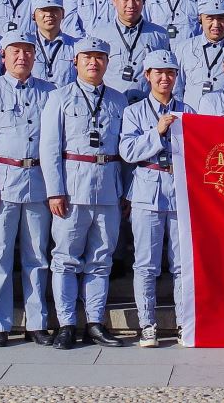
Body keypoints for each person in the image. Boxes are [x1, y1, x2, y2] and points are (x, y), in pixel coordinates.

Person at [42, 35, 130, 349]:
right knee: (65, 259)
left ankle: (94, 322)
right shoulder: (59, 97)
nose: (94, 62)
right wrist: (55, 191)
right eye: (87, 57)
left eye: (100, 57)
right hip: (72, 188)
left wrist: (125, 192)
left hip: (108, 187)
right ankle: (66, 323)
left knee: (101, 259)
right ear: (75, 61)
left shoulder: (118, 100)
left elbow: (125, 151)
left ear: (107, 62)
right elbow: (49, 148)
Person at [0, 30, 58, 346]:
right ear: (3, 56)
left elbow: (56, 143)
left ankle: (37, 322)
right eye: (15, 51)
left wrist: (55, 188)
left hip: (38, 180)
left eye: (27, 51)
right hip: (3, 181)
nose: (22, 57)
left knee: (37, 256)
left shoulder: (49, 91)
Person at [121, 50, 190, 346]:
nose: (165, 78)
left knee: (181, 264)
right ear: (147, 76)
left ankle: (184, 322)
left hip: (180, 189)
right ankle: (147, 324)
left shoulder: (187, 110)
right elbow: (128, 151)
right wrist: (157, 132)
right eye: (158, 72)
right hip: (147, 189)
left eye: (170, 72)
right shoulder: (133, 112)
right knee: (146, 264)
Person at [99, 0, 172, 102]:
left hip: (147, 106)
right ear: (114, 0)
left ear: (144, 0)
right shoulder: (100, 34)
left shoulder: (160, 35)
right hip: (112, 104)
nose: (131, 4)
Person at [173, 0, 224, 110]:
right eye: (210, 18)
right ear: (200, 18)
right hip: (193, 115)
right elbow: (176, 89)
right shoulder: (184, 48)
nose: (216, 24)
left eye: (221, 18)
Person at [31, 0, 79, 87]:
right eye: (43, 10)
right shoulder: (25, 45)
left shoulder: (76, 46)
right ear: (33, 15)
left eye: (54, 10)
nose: (49, 14)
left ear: (63, 13)